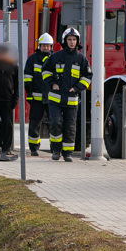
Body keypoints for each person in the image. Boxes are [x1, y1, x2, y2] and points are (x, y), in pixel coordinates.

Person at [42, 27, 92, 162]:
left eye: (74, 39)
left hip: (71, 99)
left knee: (70, 126)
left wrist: (77, 88)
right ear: (65, 41)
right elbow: (45, 71)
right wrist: (52, 83)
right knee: (56, 123)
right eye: (69, 39)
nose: (72, 42)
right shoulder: (56, 56)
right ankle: (56, 150)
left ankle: (67, 153)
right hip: (55, 98)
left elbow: (88, 76)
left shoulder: (81, 59)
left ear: (77, 41)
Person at [23, 33, 54, 156]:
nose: (45, 48)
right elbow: (27, 77)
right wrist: (29, 93)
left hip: (52, 98)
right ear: (39, 46)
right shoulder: (32, 59)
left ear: (51, 47)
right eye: (43, 45)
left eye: (47, 45)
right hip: (36, 98)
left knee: (54, 123)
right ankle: (34, 148)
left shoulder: (55, 58)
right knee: (34, 123)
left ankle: (55, 148)